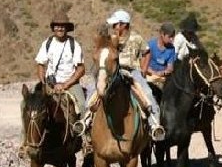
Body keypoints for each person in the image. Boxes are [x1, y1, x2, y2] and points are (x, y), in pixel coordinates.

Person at [77, 10, 165, 142]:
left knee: (147, 93)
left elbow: (147, 52)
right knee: (92, 89)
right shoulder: (109, 39)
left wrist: (144, 69)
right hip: (111, 71)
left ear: (123, 25)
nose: (113, 27)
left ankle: (154, 126)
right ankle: (86, 120)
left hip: (131, 71)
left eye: (115, 24)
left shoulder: (136, 38)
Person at [23, 11, 86, 155]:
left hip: (70, 83)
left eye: (62, 26)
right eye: (57, 26)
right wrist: (43, 82)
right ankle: (26, 141)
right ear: (53, 28)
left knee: (83, 105)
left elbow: (81, 69)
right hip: (50, 84)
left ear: (67, 28)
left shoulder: (73, 45)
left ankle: (86, 140)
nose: (60, 28)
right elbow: (40, 64)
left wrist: (65, 85)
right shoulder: (47, 43)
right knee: (29, 105)